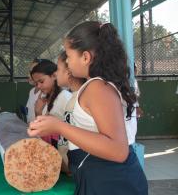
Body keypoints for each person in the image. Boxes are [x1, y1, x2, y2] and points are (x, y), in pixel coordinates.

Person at [28, 21, 148, 195]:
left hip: (111, 181)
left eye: (69, 56)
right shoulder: (95, 86)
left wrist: (59, 126)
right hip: (101, 177)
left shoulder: (97, 88)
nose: (67, 62)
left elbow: (118, 150)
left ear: (85, 57)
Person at [55, 50, 85, 174]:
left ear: (68, 72)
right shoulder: (73, 98)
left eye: (57, 69)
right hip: (69, 168)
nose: (55, 73)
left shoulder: (79, 101)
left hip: (75, 170)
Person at [30, 60, 71, 148]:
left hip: (64, 148)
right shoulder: (44, 98)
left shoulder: (65, 97)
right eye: (36, 83)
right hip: (50, 147)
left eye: (41, 81)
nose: (38, 86)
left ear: (54, 76)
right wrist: (38, 111)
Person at [25, 58, 41, 123]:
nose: (29, 75)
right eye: (29, 72)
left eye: (33, 72)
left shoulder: (45, 94)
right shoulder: (31, 91)